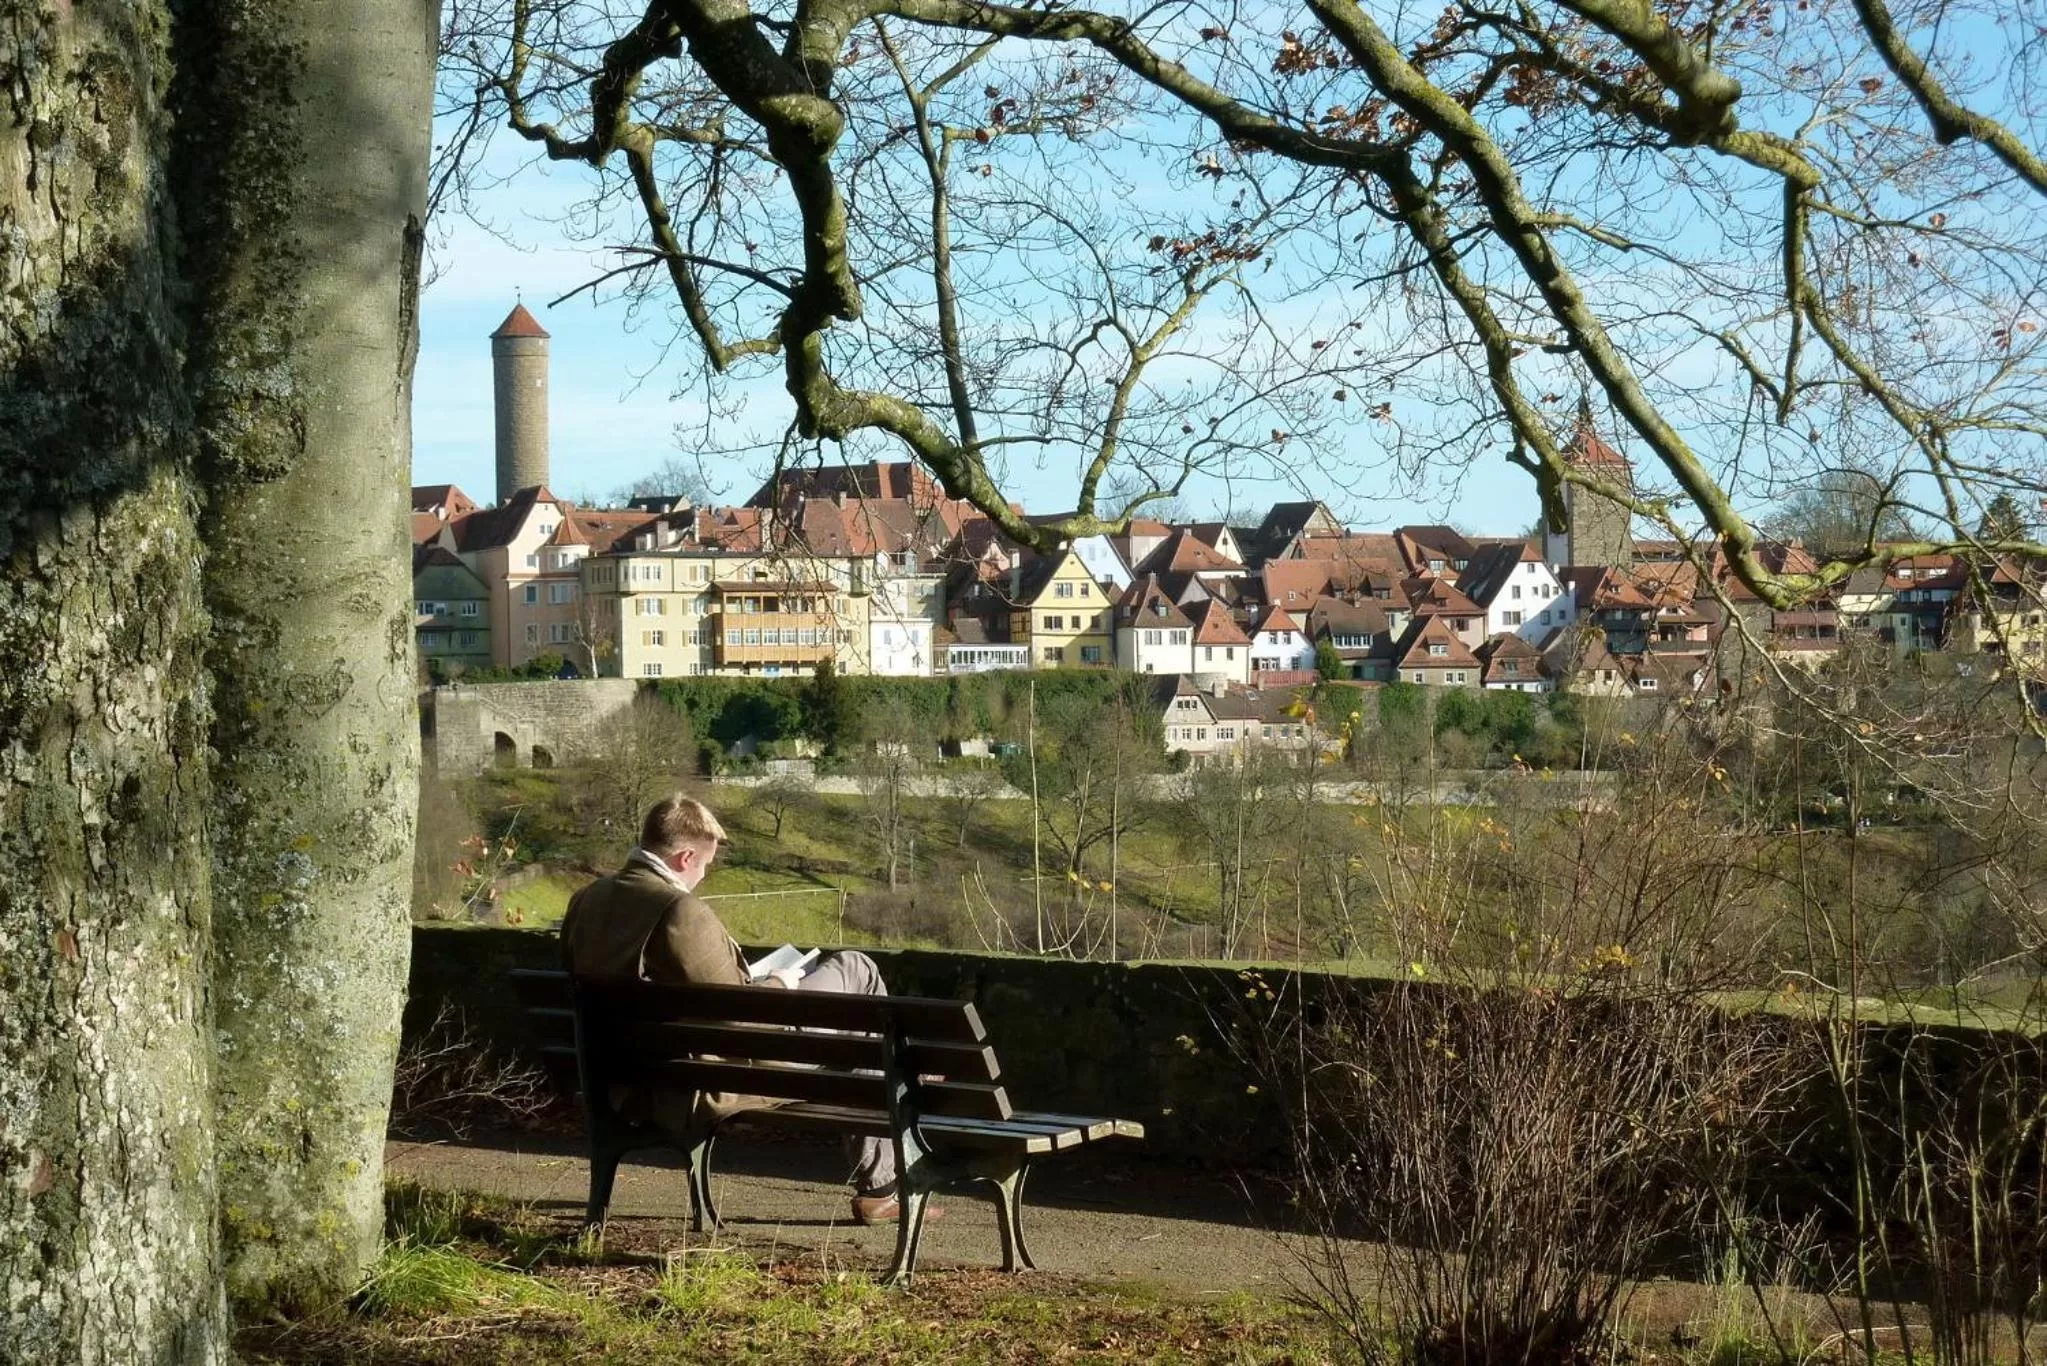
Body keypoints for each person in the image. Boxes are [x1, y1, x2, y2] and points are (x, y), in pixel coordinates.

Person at [560, 792, 910, 1225]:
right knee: (857, 971)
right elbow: (743, 1021)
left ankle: (889, 1100)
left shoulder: (585, 901)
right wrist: (780, 982)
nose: (704, 874)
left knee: (861, 1037)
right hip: (701, 1085)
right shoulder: (678, 911)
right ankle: (882, 1182)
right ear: (686, 857)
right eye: (705, 865)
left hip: (620, 1083)